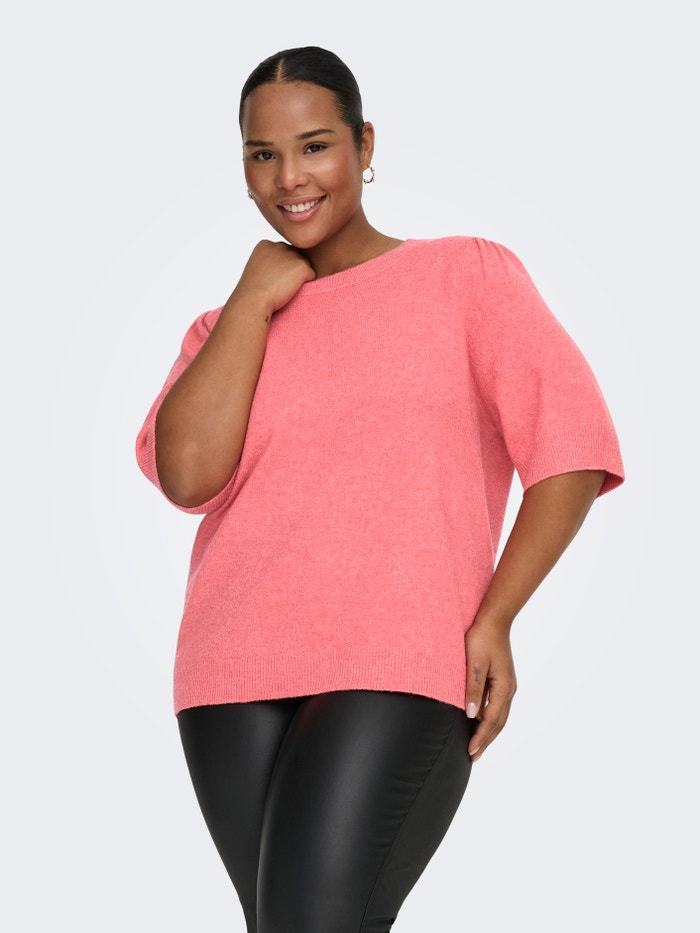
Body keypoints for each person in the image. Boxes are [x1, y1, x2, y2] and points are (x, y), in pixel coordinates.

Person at [136, 46, 624, 933]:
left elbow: (571, 452)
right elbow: (189, 475)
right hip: (229, 672)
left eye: (315, 146)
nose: (289, 178)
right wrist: (250, 301)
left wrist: (495, 617)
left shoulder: (464, 276)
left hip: (398, 660)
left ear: (364, 144)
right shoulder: (220, 329)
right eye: (262, 154)